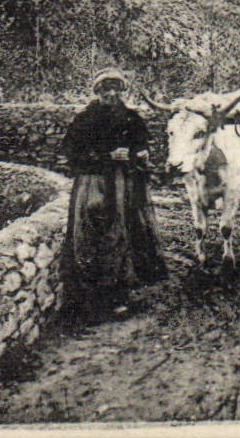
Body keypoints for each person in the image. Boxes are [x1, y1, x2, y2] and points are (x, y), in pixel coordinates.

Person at [60, 68, 167, 321]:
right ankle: (89, 299)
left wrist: (139, 154)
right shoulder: (84, 120)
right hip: (93, 182)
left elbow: (141, 147)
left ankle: (120, 294)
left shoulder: (131, 118)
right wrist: (106, 157)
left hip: (125, 184)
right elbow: (71, 156)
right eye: (106, 89)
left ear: (122, 91)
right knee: (89, 231)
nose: (111, 93)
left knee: (125, 233)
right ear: (97, 92)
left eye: (116, 88)